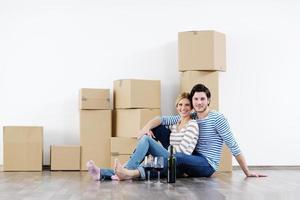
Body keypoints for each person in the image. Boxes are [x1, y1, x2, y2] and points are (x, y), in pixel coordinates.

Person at [116, 83, 267, 179]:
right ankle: (119, 172)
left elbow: (233, 145)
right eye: (196, 99)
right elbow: (161, 119)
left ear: (208, 100)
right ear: (193, 102)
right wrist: (145, 128)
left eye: (202, 99)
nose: (199, 102)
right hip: (190, 156)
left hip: (206, 164)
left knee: (177, 157)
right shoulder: (191, 115)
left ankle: (132, 171)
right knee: (159, 129)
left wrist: (247, 171)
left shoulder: (218, 118)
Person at [87, 92, 199, 181]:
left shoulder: (192, 125)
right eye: (180, 104)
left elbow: (182, 154)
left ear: (192, 108)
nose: (183, 108)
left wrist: (157, 157)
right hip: (168, 159)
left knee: (146, 140)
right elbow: (159, 120)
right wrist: (147, 129)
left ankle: (124, 170)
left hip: (178, 164)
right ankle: (100, 173)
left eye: (187, 105)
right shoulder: (175, 124)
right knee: (147, 139)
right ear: (176, 106)